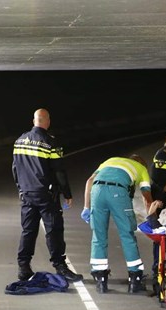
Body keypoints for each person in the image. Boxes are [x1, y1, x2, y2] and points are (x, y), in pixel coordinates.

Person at [12, 108, 83, 282]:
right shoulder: (50, 142)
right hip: (46, 194)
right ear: (47, 121)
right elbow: (59, 171)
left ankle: (23, 267)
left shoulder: (19, 140)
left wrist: (21, 187)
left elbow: (15, 168)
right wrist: (67, 193)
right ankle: (60, 266)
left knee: (28, 230)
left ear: (34, 120)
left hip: (27, 193)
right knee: (54, 230)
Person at [81, 155, 153, 294]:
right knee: (127, 235)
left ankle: (101, 280)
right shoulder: (142, 169)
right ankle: (135, 280)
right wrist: (152, 217)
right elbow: (147, 197)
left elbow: (90, 180)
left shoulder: (109, 160)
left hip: (97, 191)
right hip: (118, 192)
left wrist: (86, 207)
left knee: (98, 235)